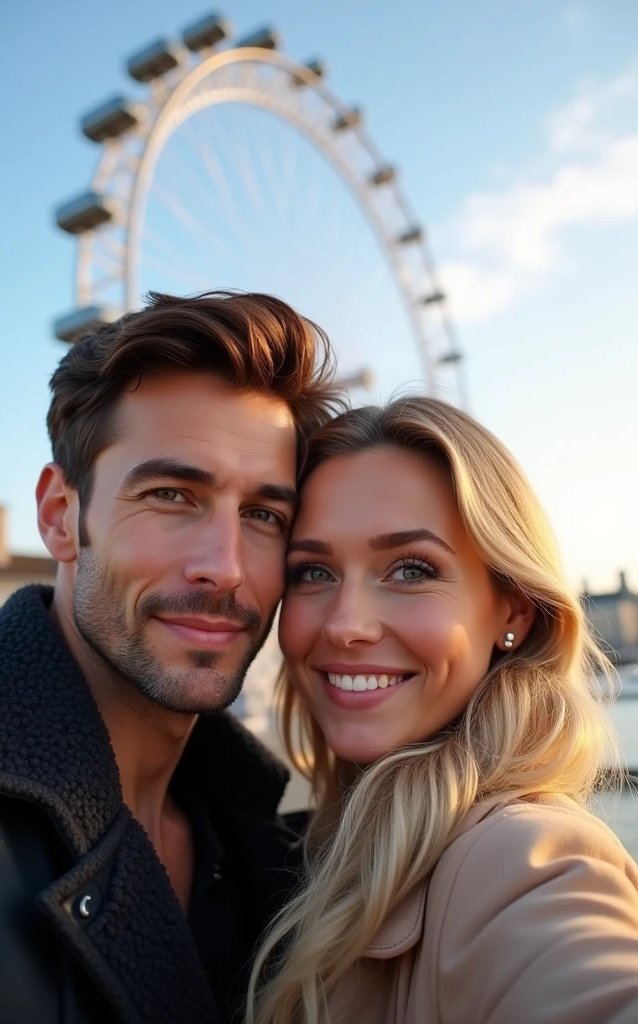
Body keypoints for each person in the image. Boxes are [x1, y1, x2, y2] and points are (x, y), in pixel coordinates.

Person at [0, 291, 343, 1024]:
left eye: (264, 516)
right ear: (60, 517)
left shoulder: (277, 844)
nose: (224, 567)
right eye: (171, 494)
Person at [248, 396, 638, 1024]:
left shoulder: (523, 863)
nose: (346, 624)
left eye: (409, 569)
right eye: (312, 571)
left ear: (512, 610)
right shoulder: (325, 840)